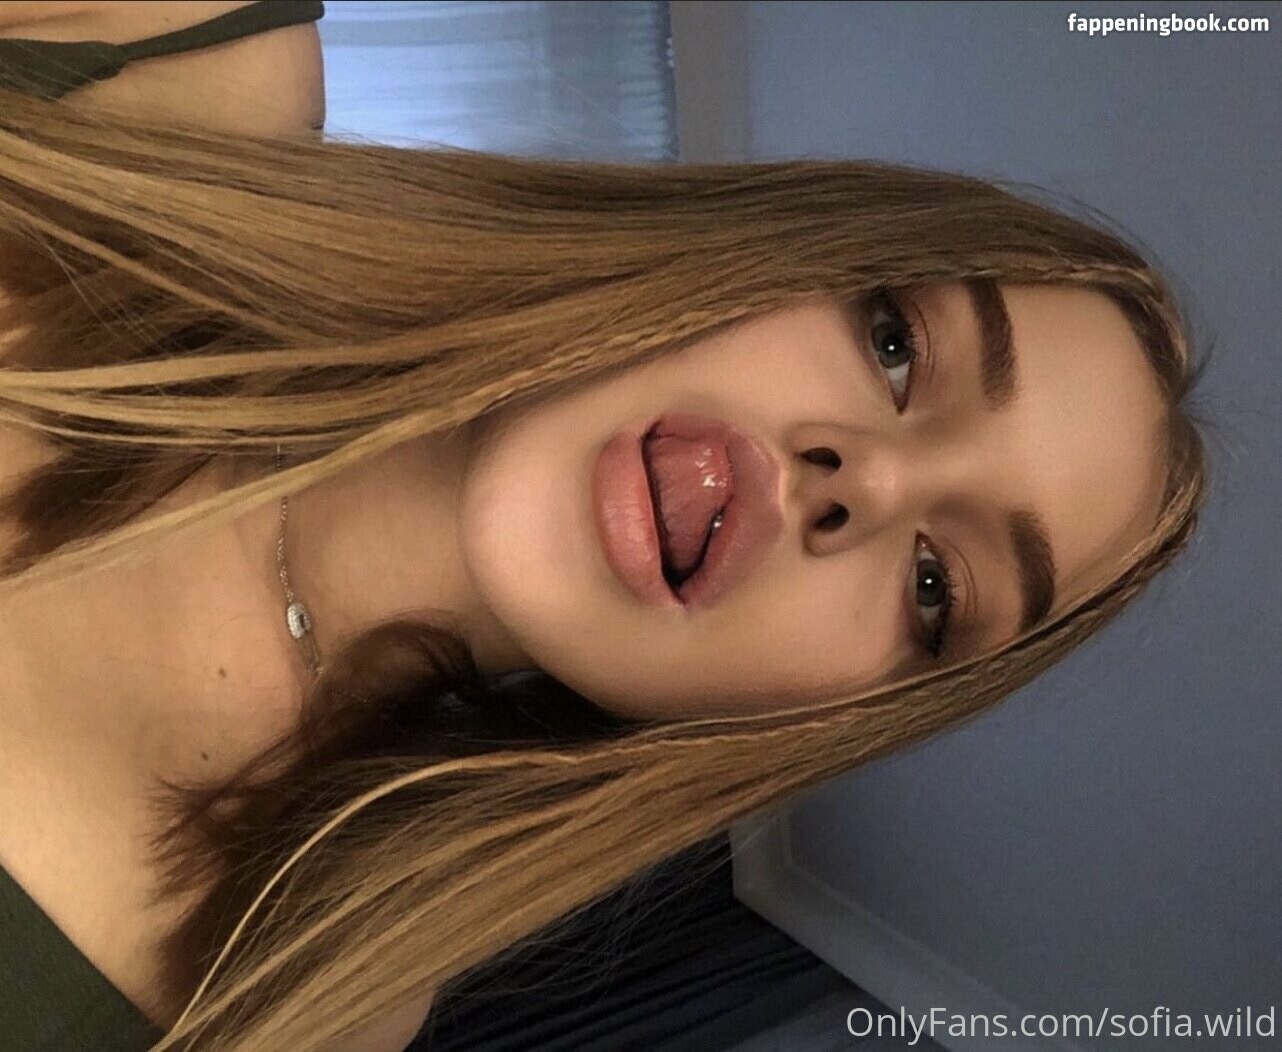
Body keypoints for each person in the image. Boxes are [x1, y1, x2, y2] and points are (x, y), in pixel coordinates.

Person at [0, 83, 1209, 1052]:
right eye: (895, 341)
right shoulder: (184, 91)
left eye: (935, 588)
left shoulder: (307, 1006)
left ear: (831, 716)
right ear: (779, 240)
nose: (865, 482)